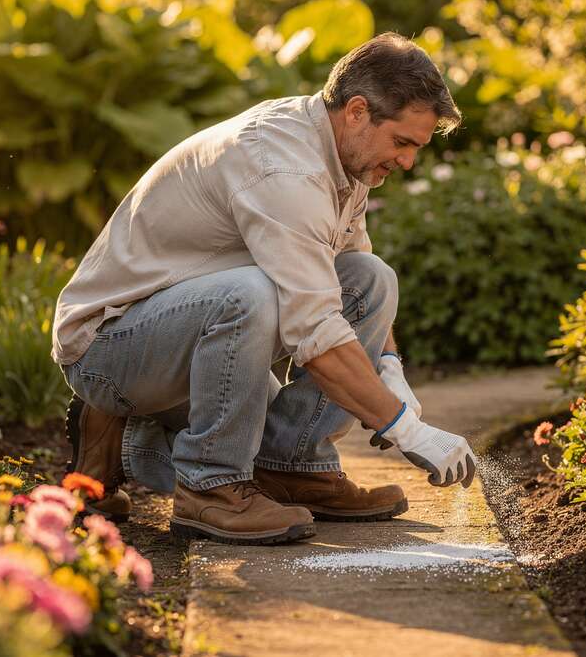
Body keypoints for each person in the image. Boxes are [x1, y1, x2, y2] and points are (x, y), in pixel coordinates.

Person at [51, 32, 476, 545]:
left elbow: (349, 275)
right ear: (357, 112)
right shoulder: (283, 166)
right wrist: (404, 426)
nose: (407, 161)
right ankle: (208, 485)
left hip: (189, 328)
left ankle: (292, 465)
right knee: (247, 292)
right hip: (110, 346)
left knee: (372, 279)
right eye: (403, 143)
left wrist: (391, 368)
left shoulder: (346, 158)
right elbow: (314, 328)